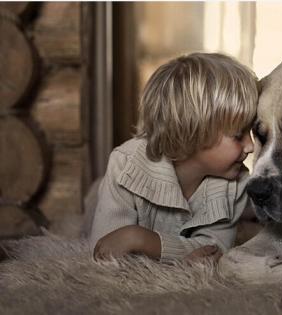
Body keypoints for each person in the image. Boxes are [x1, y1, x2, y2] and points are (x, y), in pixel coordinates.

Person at [89, 52, 258, 262]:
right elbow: (106, 251)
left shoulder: (236, 183)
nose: (251, 146)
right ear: (194, 131)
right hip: (107, 193)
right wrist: (184, 254)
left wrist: (140, 239)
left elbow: (213, 251)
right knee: (93, 199)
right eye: (238, 135)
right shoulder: (125, 164)